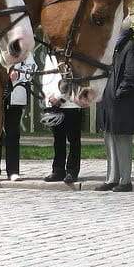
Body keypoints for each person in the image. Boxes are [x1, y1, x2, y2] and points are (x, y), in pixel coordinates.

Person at [96, 18, 134, 192]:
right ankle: (112, 178)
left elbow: (131, 76)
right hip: (109, 102)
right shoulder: (115, 46)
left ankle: (125, 180)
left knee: (122, 141)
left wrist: (117, 93)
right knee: (109, 138)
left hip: (122, 104)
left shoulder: (130, 47)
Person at [0, 53, 37, 183]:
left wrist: (18, 74)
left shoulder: (24, 48)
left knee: (13, 133)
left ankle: (13, 171)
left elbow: (32, 68)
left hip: (16, 95)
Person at [41, 53, 83, 184]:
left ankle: (72, 171)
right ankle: (58, 170)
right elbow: (46, 79)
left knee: (73, 140)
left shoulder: (73, 56)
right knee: (58, 140)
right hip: (54, 104)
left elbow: (74, 80)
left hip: (71, 104)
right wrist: (49, 96)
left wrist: (60, 97)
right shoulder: (50, 57)